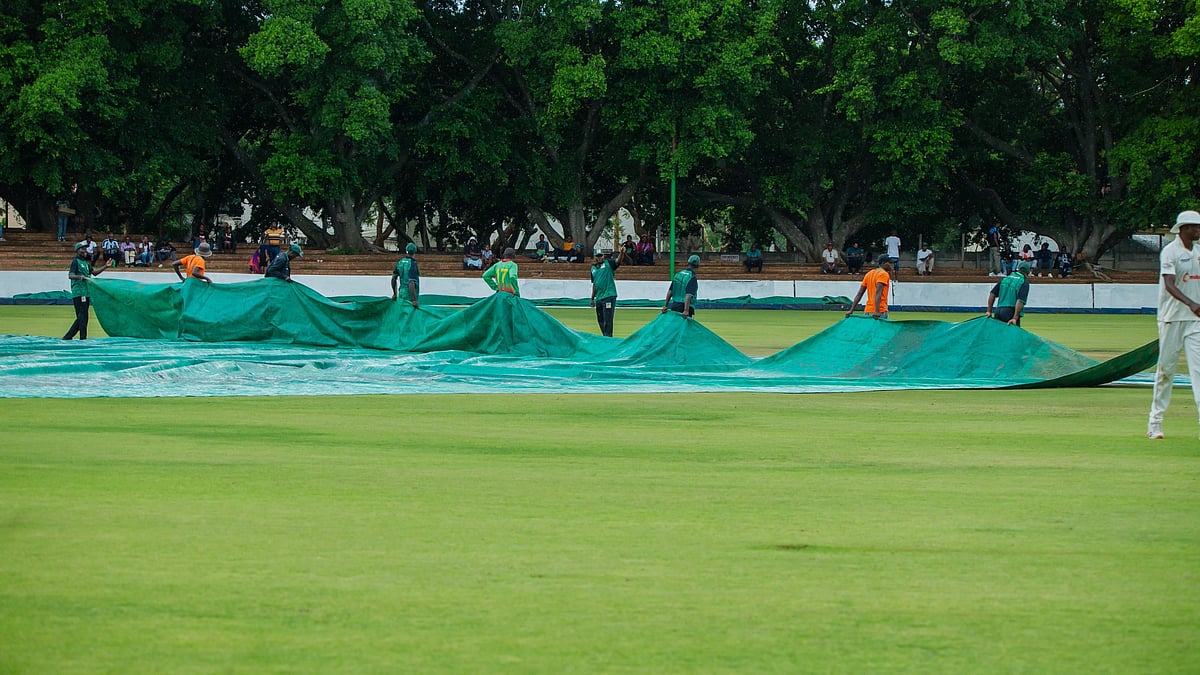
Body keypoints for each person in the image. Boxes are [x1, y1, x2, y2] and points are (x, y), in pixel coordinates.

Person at [1148, 210, 1200, 439]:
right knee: (1166, 370)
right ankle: (1155, 421)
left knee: (1198, 372)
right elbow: (1169, 284)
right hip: (1171, 318)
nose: (1198, 231)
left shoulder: (1198, 252)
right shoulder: (1170, 252)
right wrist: (1192, 304)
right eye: (1194, 227)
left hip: (1194, 321)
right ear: (1183, 228)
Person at [63, 242, 110, 339]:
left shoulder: (85, 263)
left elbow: (94, 273)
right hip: (79, 292)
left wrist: (105, 266)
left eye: (85, 249)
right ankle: (81, 338)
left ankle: (69, 337)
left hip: (86, 292)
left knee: (83, 317)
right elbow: (70, 275)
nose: (85, 251)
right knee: (82, 317)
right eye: (82, 249)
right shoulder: (75, 262)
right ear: (77, 250)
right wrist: (80, 277)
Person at [845, 254, 892, 319]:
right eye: (890, 263)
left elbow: (860, 293)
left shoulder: (869, 274)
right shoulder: (884, 274)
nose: (891, 265)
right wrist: (877, 311)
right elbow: (878, 293)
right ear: (883, 263)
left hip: (867, 310)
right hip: (880, 311)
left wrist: (851, 310)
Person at [986, 260, 1031, 326]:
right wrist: (1015, 318)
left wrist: (989, 311)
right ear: (1027, 272)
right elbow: (1020, 301)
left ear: (1017, 269)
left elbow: (992, 294)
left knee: (999, 335)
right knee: (1013, 335)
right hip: (1010, 312)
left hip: (998, 311)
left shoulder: (1005, 279)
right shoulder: (1023, 282)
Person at [590, 249, 620, 337]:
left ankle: (608, 338)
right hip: (599, 297)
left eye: (601, 256)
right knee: (600, 319)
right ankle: (606, 336)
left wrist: (622, 253)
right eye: (597, 256)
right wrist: (592, 298)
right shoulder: (593, 269)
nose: (599, 258)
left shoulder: (608, 264)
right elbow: (595, 284)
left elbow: (618, 261)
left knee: (608, 319)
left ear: (603, 256)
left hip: (608, 295)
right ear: (595, 257)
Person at [661, 254, 699, 318]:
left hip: (675, 305)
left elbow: (670, 291)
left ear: (688, 263)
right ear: (698, 266)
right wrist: (686, 310)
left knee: (676, 327)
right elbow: (688, 295)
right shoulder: (692, 277)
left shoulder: (678, 275)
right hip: (686, 307)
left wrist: (665, 305)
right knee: (687, 327)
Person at [391, 242, 420, 308]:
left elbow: (393, 278)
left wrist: (395, 293)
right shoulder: (412, 263)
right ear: (415, 252)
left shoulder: (400, 262)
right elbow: (411, 282)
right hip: (409, 294)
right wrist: (414, 300)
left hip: (401, 292)